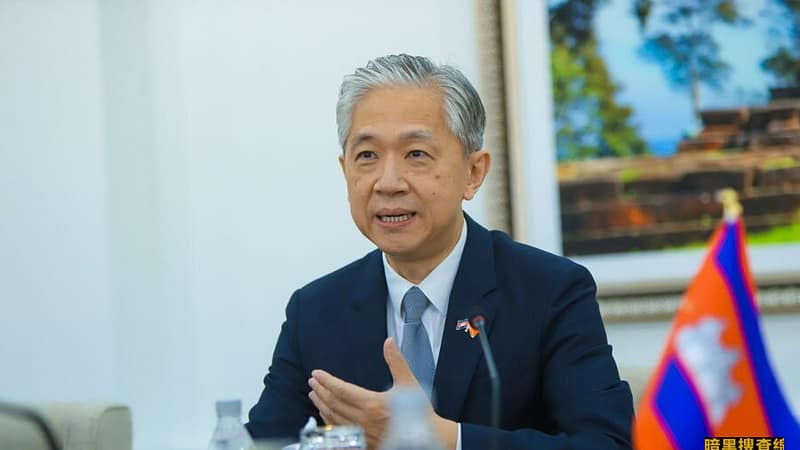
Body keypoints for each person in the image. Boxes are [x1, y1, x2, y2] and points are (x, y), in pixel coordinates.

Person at [246, 54, 634, 450]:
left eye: (416, 154)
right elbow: (260, 443)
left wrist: (445, 439)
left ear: (473, 173)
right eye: (367, 156)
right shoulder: (316, 311)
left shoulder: (549, 291)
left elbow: (608, 444)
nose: (388, 182)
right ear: (345, 170)